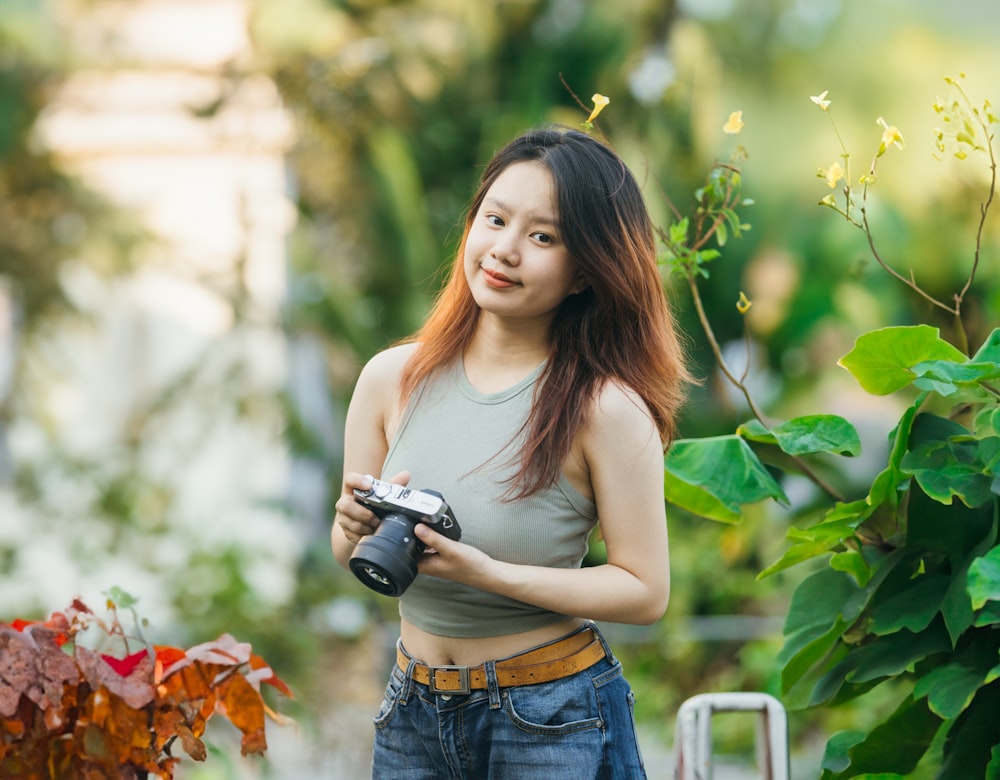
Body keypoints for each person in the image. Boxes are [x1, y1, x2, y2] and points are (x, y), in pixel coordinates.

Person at [332, 125, 689, 779]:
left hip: (548, 718)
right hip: (412, 709)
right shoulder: (390, 378)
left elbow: (646, 591)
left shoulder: (606, 409)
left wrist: (486, 574)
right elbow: (353, 553)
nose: (504, 250)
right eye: (494, 219)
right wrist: (350, 527)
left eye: (543, 236)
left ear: (587, 270)